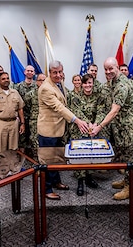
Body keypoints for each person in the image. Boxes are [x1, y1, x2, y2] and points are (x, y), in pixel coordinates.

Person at [37, 60, 89, 200]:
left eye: (60, 72)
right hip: (48, 131)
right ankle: (47, 189)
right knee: (47, 161)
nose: (58, 75)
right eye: (55, 72)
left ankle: (56, 182)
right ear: (49, 72)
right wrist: (77, 121)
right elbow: (60, 107)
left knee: (56, 159)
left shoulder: (59, 83)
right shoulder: (46, 88)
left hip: (58, 129)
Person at [91, 57, 133, 200]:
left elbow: (114, 110)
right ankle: (125, 181)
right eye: (105, 69)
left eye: (111, 68)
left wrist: (99, 126)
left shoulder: (122, 86)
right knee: (124, 155)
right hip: (120, 126)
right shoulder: (112, 83)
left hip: (129, 127)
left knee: (130, 158)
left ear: (117, 67)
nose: (108, 72)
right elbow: (105, 107)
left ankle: (129, 188)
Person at [68, 74, 100, 196]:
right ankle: (80, 181)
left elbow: (101, 110)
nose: (87, 85)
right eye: (85, 83)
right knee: (80, 155)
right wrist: (89, 123)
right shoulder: (75, 96)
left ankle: (89, 177)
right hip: (79, 130)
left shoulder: (98, 96)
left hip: (93, 130)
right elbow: (76, 112)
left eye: (90, 83)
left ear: (93, 83)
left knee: (91, 154)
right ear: (81, 84)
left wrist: (96, 123)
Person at [0, 72, 25, 153]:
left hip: (13, 123)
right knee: (0, 150)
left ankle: (12, 165)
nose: (6, 80)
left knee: (14, 149)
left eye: (7, 78)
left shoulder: (15, 92)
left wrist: (22, 123)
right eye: (3, 79)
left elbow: (20, 109)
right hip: (0, 123)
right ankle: (2, 165)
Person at [14, 65, 37, 152]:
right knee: (22, 141)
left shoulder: (37, 86)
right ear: (24, 72)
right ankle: (22, 161)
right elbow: (15, 102)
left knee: (34, 140)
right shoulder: (18, 87)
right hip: (22, 117)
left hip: (34, 118)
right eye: (28, 71)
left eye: (31, 71)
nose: (30, 72)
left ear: (34, 73)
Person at [23, 73, 46, 159]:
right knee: (35, 140)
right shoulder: (30, 94)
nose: (42, 82)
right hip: (35, 120)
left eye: (44, 80)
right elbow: (26, 107)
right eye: (40, 80)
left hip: (47, 121)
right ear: (36, 82)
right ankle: (37, 161)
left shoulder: (51, 93)